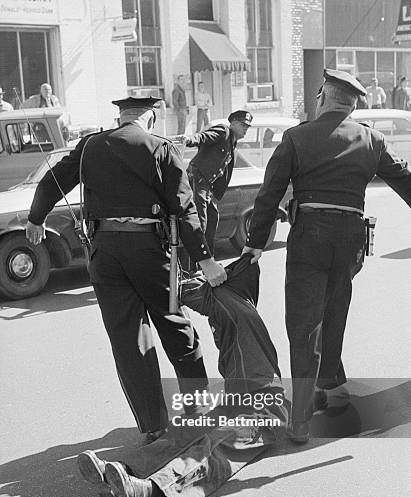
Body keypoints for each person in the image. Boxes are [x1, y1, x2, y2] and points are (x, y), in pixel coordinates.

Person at [25, 96, 227, 441]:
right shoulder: (159, 147)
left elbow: (50, 182)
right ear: (150, 117)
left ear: (120, 117)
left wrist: (36, 219)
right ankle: (196, 409)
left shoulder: (90, 147)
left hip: (104, 253)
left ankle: (152, 426)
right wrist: (206, 259)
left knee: (128, 339)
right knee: (175, 324)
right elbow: (183, 207)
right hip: (148, 249)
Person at [242, 68, 411, 444]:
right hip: (351, 240)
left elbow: (269, 193)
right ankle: (332, 385)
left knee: (303, 327)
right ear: (352, 105)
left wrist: (255, 243)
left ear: (322, 97)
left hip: (310, 237)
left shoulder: (298, 136)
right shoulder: (372, 140)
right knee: (335, 309)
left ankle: (300, 421)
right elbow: (406, 180)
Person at [77, 255, 288, 497]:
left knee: (213, 448)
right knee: (188, 430)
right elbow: (195, 290)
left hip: (266, 409)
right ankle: (120, 474)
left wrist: (206, 265)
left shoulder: (235, 301)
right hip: (234, 400)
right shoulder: (231, 301)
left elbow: (192, 290)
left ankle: (148, 490)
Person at [181, 110, 253, 268]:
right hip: (198, 180)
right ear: (232, 123)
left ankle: (207, 261)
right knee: (199, 223)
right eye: (242, 125)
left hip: (207, 186)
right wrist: (189, 140)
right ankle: (191, 267)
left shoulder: (232, 143)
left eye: (247, 126)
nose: (245, 128)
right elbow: (203, 137)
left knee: (212, 219)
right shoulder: (223, 131)